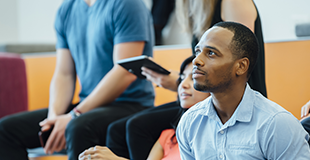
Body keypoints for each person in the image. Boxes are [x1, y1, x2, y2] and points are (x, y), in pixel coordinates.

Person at [106, 0, 267, 159]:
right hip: (207, 96)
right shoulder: (195, 9)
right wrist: (180, 80)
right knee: (117, 129)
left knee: (138, 126)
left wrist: (178, 82)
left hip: (233, 101)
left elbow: (239, 63)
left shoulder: (233, 2)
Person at [0, 0, 155, 160]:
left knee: (77, 127)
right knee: (6, 131)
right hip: (87, 106)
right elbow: (64, 73)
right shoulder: (67, 9)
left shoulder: (127, 4)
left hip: (130, 105)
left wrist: (75, 115)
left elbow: (124, 72)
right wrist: (55, 117)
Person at [176, 21, 310, 159]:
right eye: (198, 52)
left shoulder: (276, 124)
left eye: (211, 53)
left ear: (241, 66)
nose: (196, 61)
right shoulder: (190, 122)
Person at [78, 55, 210, 160]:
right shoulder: (167, 136)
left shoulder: (211, 135)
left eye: (193, 78)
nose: (183, 85)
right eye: (181, 78)